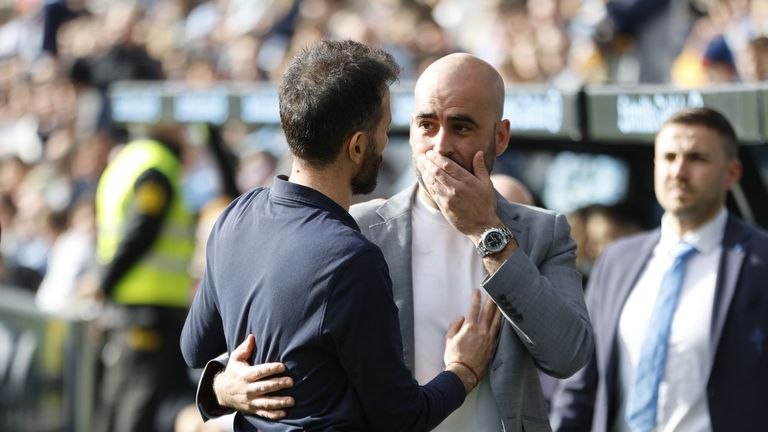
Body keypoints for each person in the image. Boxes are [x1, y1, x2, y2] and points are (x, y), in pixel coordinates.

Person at [199, 52, 593, 432]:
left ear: (500, 136)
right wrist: (221, 385)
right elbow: (269, 335)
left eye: (461, 127)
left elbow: (567, 355)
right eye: (427, 125)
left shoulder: (544, 233)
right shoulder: (355, 231)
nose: (440, 146)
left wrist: (486, 232)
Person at [550, 107, 768, 432]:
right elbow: (579, 386)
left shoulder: (760, 261)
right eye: (668, 157)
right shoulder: (617, 260)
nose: (678, 171)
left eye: (697, 158)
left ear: (733, 173)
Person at [93, 123, 197, 432]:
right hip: (150, 308)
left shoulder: (127, 159)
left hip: (135, 305)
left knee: (122, 394)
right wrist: (104, 284)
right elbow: (141, 231)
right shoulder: (157, 164)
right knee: (140, 401)